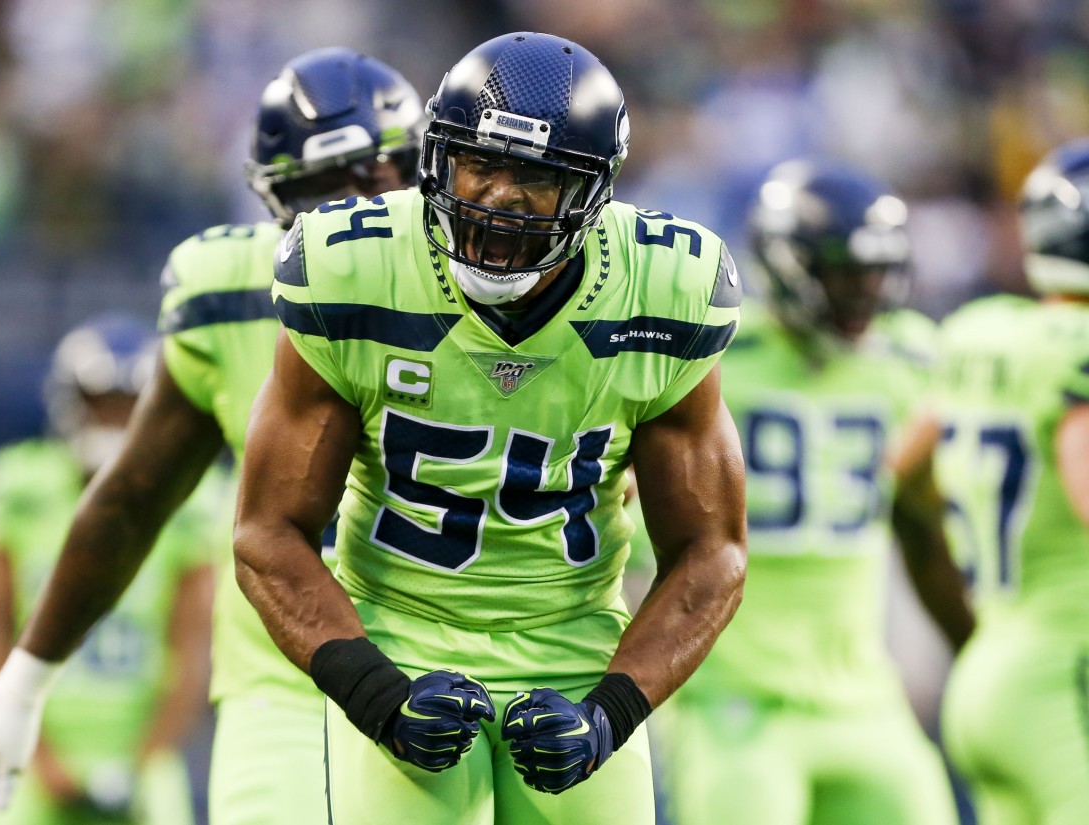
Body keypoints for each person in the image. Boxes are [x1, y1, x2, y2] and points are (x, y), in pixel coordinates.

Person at [233, 31, 747, 825]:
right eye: (480, 163)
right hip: (400, 635)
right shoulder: (352, 265)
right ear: (436, 156)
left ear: (593, 192)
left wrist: (609, 712)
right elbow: (268, 534)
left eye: (537, 177)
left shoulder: (664, 288)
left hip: (577, 647)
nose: (498, 198)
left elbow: (712, 553)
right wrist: (378, 696)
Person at [0, 48, 425, 825]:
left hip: (466, 655)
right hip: (288, 668)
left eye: (376, 177)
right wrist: (21, 683)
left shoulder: (503, 286)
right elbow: (130, 499)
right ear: (274, 203)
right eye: (322, 190)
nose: (355, 212)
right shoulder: (228, 294)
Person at [650, 159, 972, 825]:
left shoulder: (908, 360)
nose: (864, 291)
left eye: (876, 271)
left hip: (867, 699)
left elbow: (922, 529)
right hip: (735, 700)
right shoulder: (717, 355)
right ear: (786, 266)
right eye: (843, 273)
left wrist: (973, 648)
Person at [0, 314, 216, 825]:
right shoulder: (18, 487)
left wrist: (147, 756)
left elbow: (191, 650)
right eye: (101, 403)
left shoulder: (187, 499)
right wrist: (43, 760)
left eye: (127, 405)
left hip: (146, 751)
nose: (114, 420)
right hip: (27, 748)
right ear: (68, 402)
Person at [925, 138, 1089, 825]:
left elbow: (897, 476)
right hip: (1064, 681)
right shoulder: (1075, 352)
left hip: (986, 671)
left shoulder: (980, 332)